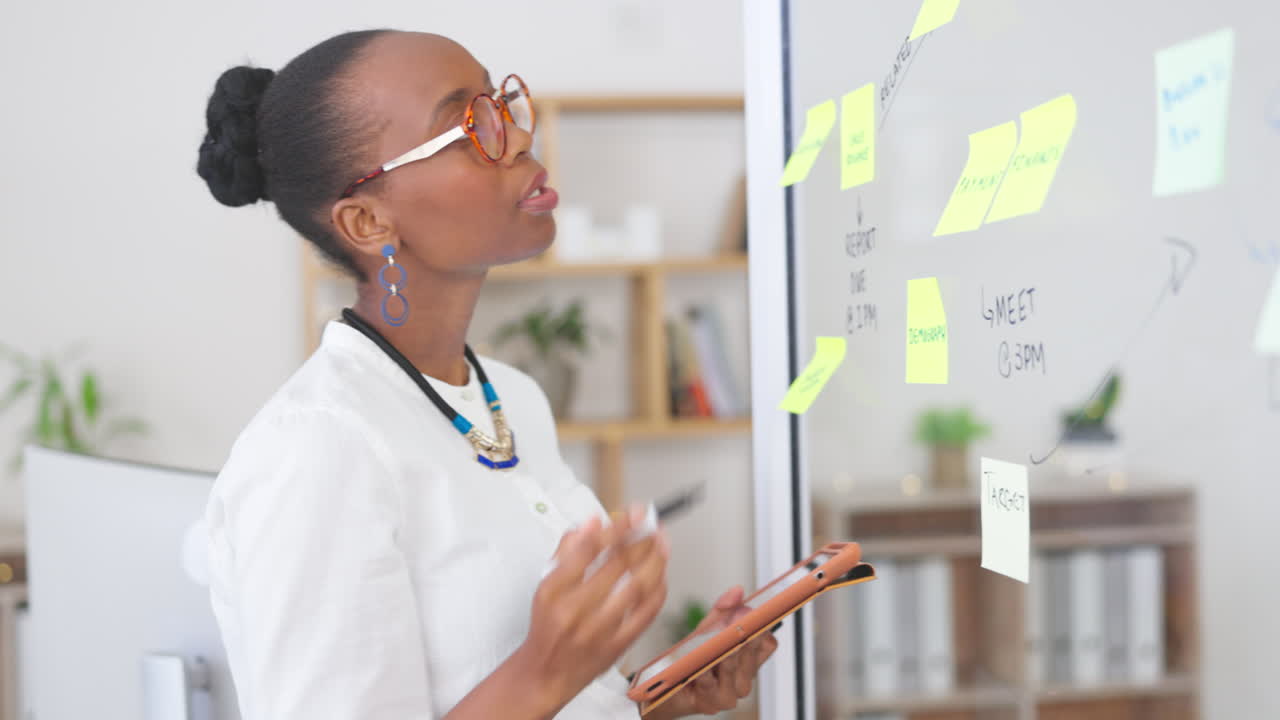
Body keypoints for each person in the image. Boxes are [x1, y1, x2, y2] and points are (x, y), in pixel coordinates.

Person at [196, 29, 776, 720]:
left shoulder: (514, 399)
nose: (520, 136)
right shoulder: (317, 450)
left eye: (500, 104)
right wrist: (543, 671)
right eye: (470, 126)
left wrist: (654, 694)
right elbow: (532, 684)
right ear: (368, 220)